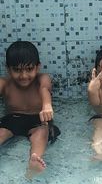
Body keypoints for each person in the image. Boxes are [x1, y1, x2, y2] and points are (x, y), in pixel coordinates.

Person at [0, 41, 60, 177]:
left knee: (42, 132)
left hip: (37, 119)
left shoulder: (42, 78)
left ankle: (34, 160)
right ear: (8, 69)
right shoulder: (5, 83)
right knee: (1, 132)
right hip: (12, 120)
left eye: (29, 69)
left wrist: (46, 105)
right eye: (17, 70)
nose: (23, 75)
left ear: (37, 67)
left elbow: (45, 89)